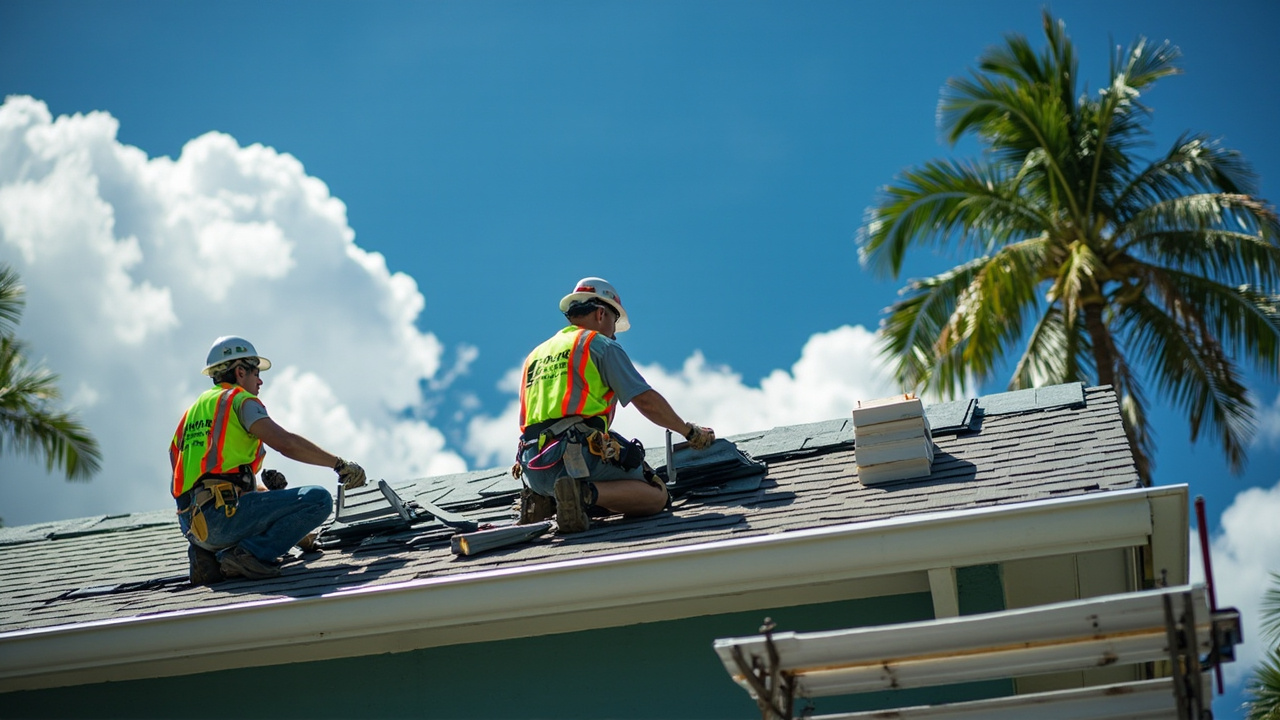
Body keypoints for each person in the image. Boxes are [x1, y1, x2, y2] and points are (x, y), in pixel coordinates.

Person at [515, 277, 715, 533]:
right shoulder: (598, 345)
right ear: (601, 313)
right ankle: (581, 494)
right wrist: (689, 431)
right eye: (614, 324)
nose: (614, 333)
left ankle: (549, 500)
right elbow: (644, 400)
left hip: (532, 467)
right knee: (655, 494)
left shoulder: (535, 355)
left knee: (602, 483)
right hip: (574, 458)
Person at [170, 336, 367, 584]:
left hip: (194, 527)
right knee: (318, 499)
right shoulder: (238, 400)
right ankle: (248, 555)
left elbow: (198, 480)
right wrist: (339, 464)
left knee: (262, 500)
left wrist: (275, 501)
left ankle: (210, 556)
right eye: (255, 373)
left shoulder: (190, 416)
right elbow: (285, 443)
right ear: (240, 372)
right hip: (222, 518)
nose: (260, 380)